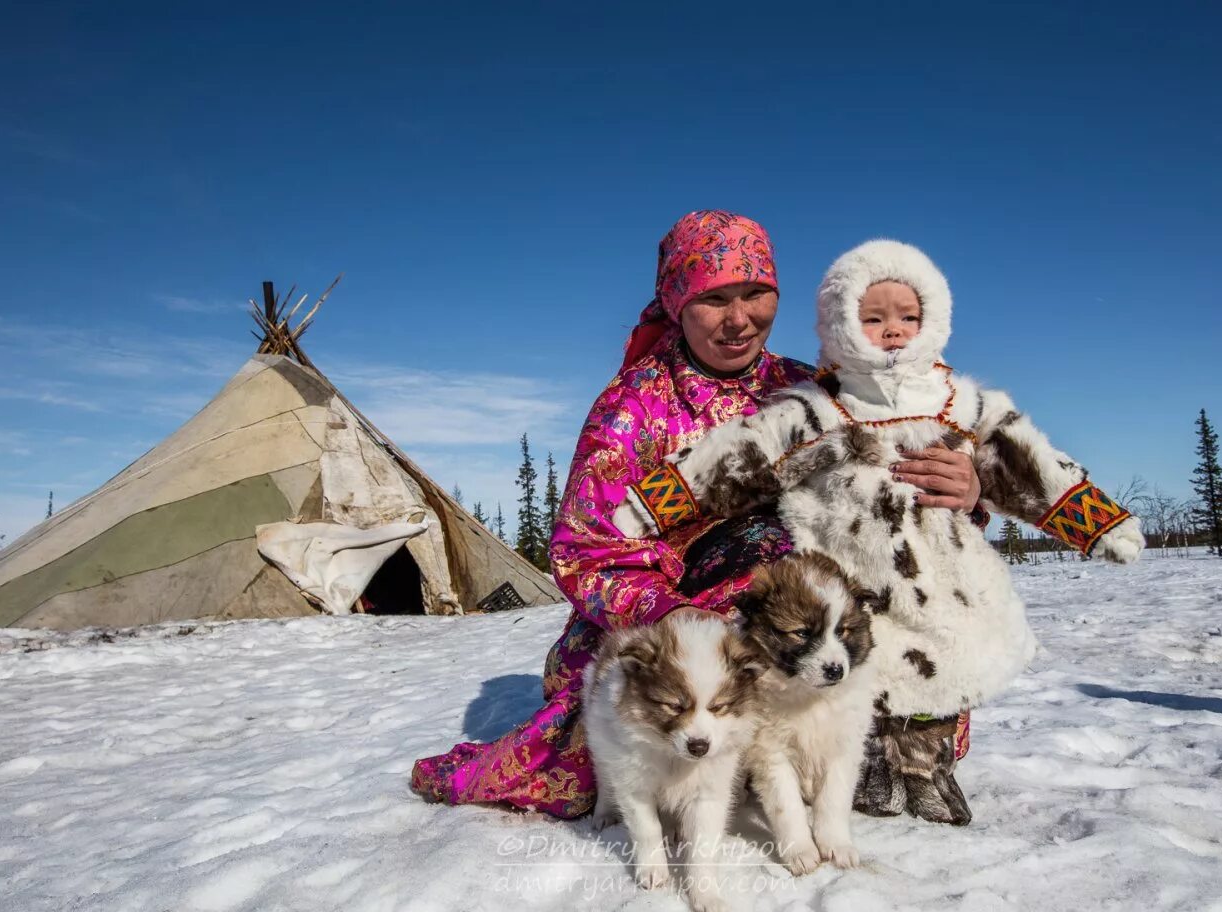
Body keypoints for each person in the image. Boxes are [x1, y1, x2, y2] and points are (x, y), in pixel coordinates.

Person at [409, 211, 981, 818]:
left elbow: (890, 504)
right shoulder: (631, 411)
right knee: (605, 758)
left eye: (756, 294)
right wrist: (678, 620)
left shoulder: (812, 389)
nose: (739, 319)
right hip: (671, 614)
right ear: (678, 303)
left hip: (795, 617)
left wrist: (963, 491)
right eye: (714, 299)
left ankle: (881, 753)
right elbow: (585, 552)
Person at [612, 238, 1145, 823]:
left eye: (909, 317)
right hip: (752, 606)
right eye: (872, 318)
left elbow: (1028, 463)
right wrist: (652, 505)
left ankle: (921, 763)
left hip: (937, 575)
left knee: (948, 650)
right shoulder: (802, 408)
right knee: (866, 651)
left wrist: (1073, 517)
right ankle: (858, 759)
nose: (892, 332)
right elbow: (739, 457)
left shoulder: (953, 404)